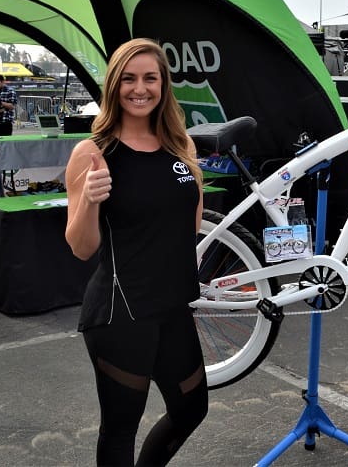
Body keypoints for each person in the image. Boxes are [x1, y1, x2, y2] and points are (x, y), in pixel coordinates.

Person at [65, 38, 207, 466]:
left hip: (172, 305)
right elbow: (80, 247)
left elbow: (192, 224)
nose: (139, 88)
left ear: (163, 84)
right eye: (128, 79)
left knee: (191, 409)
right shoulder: (92, 153)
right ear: (113, 86)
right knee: (121, 426)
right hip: (120, 313)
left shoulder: (181, 147)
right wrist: (90, 199)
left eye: (150, 78)